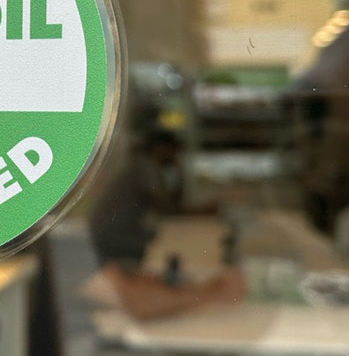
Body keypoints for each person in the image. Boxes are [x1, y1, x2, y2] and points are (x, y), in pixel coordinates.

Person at [88, 129, 243, 320]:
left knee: (171, 251)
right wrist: (179, 173)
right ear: (163, 149)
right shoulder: (144, 168)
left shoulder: (143, 166)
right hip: (116, 236)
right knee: (166, 259)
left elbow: (172, 204)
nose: (175, 156)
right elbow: (168, 208)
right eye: (174, 152)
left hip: (123, 232)